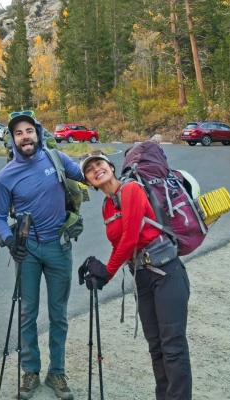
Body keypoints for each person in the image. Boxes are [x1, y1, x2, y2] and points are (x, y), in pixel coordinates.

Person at [79, 151, 192, 400]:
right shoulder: (107, 206)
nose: (96, 169)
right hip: (141, 277)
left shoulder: (131, 189)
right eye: (89, 169)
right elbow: (119, 242)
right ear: (88, 181)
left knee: (172, 346)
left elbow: (130, 238)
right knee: (156, 346)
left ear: (110, 166)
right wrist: (100, 270)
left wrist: (106, 273)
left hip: (167, 273)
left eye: (99, 163)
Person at [0, 113, 84, 400]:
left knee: (59, 314)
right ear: (13, 139)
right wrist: (10, 241)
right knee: (27, 313)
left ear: (38, 133)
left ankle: (57, 372)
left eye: (29, 130)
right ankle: (30, 370)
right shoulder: (5, 177)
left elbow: (85, 174)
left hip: (59, 247)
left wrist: (108, 169)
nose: (25, 136)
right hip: (27, 250)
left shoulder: (55, 158)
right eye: (18, 133)